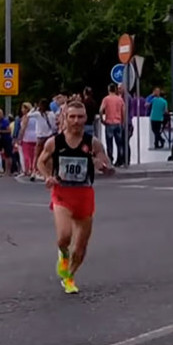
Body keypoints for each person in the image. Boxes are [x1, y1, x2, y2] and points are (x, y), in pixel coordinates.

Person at [37, 101, 114, 294]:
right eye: (72, 117)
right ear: (65, 118)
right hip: (62, 192)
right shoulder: (55, 142)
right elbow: (40, 161)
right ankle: (63, 254)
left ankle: (69, 277)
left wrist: (104, 167)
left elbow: (107, 165)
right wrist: (48, 177)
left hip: (84, 194)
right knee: (64, 236)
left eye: (80, 117)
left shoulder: (93, 142)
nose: (76, 121)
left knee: (80, 247)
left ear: (86, 118)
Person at [100, 83, 125, 166]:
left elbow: (101, 110)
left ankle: (110, 159)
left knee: (109, 143)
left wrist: (102, 119)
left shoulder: (106, 99)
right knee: (119, 143)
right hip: (118, 123)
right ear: (115, 90)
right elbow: (123, 111)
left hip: (109, 123)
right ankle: (120, 159)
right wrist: (123, 121)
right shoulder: (120, 99)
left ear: (108, 90)